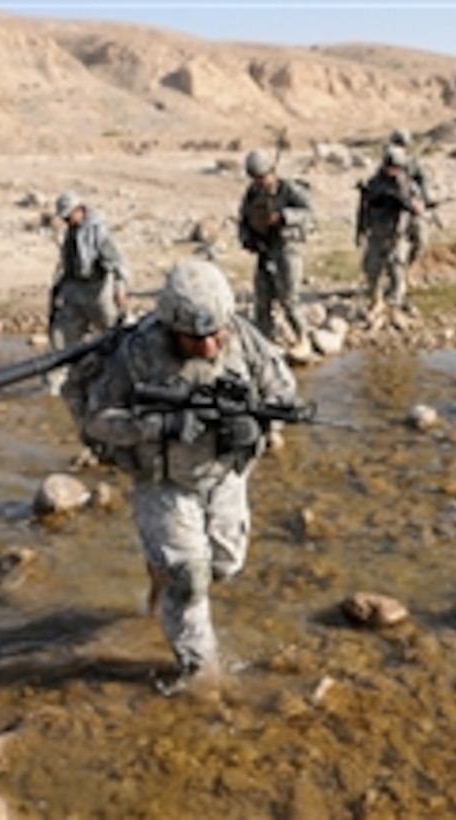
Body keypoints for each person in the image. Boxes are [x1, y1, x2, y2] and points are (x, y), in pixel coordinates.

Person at [81, 259, 298, 695]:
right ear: (172, 326)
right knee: (190, 576)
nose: (210, 344)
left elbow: (284, 394)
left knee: (226, 565)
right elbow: (98, 420)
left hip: (224, 474)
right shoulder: (138, 353)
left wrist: (258, 427)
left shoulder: (243, 339)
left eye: (217, 333)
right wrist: (155, 427)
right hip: (163, 482)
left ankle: (160, 574)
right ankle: (200, 671)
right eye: (196, 338)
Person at [47, 190, 129, 396]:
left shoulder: (99, 231)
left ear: (79, 209)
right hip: (73, 290)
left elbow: (118, 263)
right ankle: (56, 385)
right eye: (63, 217)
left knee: (114, 335)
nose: (66, 220)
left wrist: (119, 289)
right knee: (61, 336)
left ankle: (123, 377)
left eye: (68, 215)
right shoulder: (70, 230)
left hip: (98, 290)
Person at [238, 149, 313, 363]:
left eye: (262, 177)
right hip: (264, 249)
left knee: (289, 298)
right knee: (262, 299)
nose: (259, 182)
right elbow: (243, 219)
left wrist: (283, 217)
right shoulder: (252, 194)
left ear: (272, 171)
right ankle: (264, 340)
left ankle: (302, 337)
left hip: (288, 248)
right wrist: (247, 239)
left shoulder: (289, 189)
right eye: (254, 178)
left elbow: (309, 213)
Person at [355, 145, 423, 313]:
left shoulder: (408, 186)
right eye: (389, 167)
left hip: (398, 235)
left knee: (397, 268)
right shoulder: (374, 184)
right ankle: (375, 299)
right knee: (371, 268)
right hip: (377, 233)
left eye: (396, 168)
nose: (392, 171)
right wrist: (360, 231)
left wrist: (412, 206)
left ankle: (395, 302)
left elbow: (417, 212)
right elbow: (364, 209)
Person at [389, 128, 434, 264]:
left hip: (407, 204)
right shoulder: (393, 159)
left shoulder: (410, 161)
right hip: (397, 206)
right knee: (417, 238)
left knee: (419, 239)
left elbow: (421, 180)